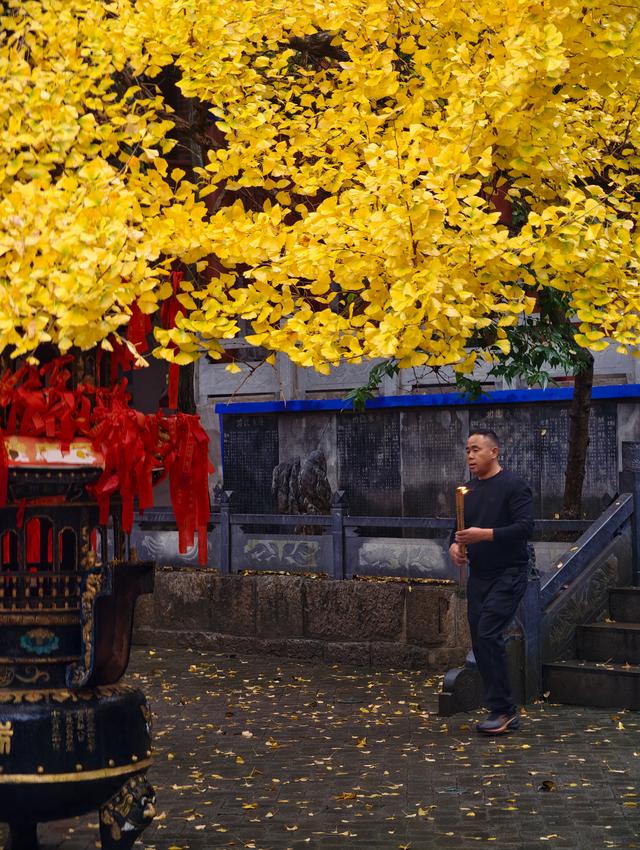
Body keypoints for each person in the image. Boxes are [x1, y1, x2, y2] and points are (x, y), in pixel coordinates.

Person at [449, 429, 534, 735]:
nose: (470, 456)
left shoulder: (514, 485)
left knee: (488, 633)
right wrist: (454, 547)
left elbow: (525, 528)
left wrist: (484, 534)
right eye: (467, 450)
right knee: (479, 640)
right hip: (479, 576)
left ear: (494, 452)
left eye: (476, 449)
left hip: (509, 573)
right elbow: (457, 530)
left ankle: (504, 710)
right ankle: (499, 708)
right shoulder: (468, 490)